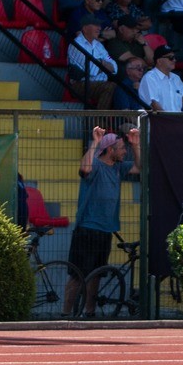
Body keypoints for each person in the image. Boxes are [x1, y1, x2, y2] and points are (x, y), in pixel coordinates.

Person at [63, 125, 138, 316]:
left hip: (105, 229)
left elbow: (140, 167)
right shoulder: (96, 164)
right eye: (121, 148)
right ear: (110, 150)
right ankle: (65, 313)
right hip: (87, 228)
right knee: (78, 275)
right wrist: (95, 143)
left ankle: (90, 312)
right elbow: (84, 169)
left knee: (96, 275)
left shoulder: (119, 168)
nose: (124, 151)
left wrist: (135, 145)